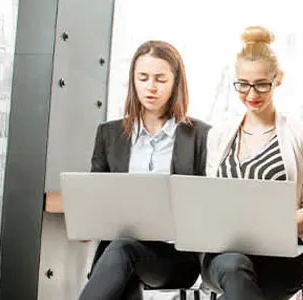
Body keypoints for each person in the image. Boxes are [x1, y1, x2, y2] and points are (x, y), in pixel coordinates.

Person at [202, 26, 303, 300]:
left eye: (261, 84)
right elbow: (209, 202)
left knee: (239, 285)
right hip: (224, 257)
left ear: (278, 78)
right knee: (235, 265)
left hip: (281, 257)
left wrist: (281, 224)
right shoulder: (218, 136)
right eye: (243, 84)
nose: (251, 94)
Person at [80, 40, 208, 300]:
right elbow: (97, 199)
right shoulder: (109, 134)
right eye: (143, 78)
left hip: (175, 256)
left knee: (122, 253)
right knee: (123, 264)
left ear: (175, 83)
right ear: (133, 81)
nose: (151, 87)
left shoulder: (199, 135)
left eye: (160, 79)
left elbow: (208, 203)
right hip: (117, 253)